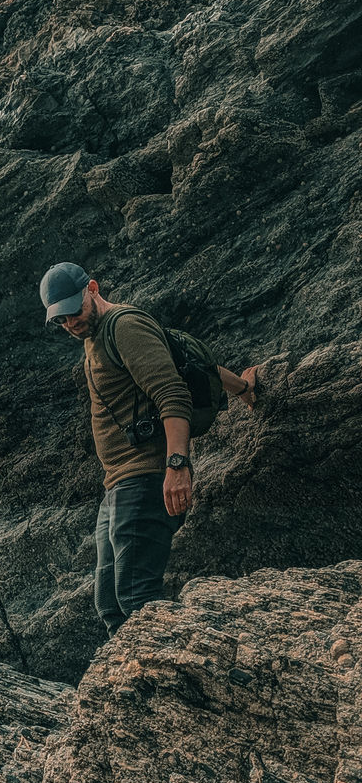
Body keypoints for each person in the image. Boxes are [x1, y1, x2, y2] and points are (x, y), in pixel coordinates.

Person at [40, 261, 256, 636]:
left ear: (92, 288)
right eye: (60, 320)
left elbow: (171, 392)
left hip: (145, 477)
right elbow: (186, 358)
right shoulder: (95, 337)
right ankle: (138, 689)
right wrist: (242, 388)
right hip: (118, 485)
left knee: (138, 598)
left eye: (74, 311)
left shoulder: (124, 326)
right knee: (110, 604)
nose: (70, 323)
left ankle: (197, 672)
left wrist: (177, 466)